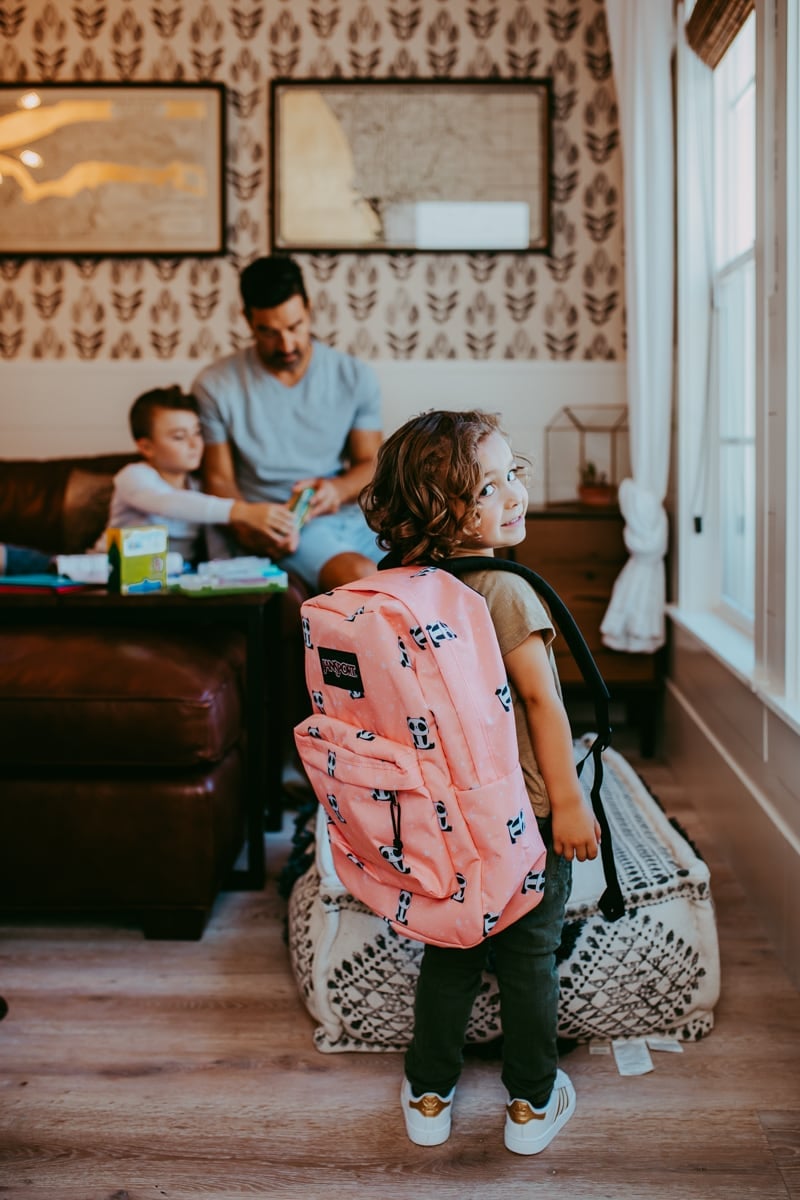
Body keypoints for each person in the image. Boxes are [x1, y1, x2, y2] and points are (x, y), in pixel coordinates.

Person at [359, 410, 601, 1156]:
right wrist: (567, 804)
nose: (515, 494)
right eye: (487, 488)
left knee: (452, 950)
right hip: (519, 818)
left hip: (438, 820)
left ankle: (430, 1091)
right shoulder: (504, 590)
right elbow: (543, 704)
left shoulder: (396, 590)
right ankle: (530, 1103)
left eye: (513, 474)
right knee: (530, 957)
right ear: (438, 508)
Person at [191, 254, 383, 592]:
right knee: (360, 578)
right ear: (248, 321)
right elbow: (218, 479)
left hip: (350, 518)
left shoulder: (354, 376)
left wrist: (336, 490)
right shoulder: (215, 385)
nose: (286, 345)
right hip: (281, 525)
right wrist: (249, 526)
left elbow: (370, 463)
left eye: (294, 327)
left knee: (431, 574)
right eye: (269, 332)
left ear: (308, 309)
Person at [99, 385, 286, 564]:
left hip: (169, 582)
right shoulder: (133, 477)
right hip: (109, 576)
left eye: (197, 433)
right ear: (146, 447)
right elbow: (168, 503)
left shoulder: (200, 490)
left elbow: (217, 551)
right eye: (179, 437)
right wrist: (243, 511)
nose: (194, 444)